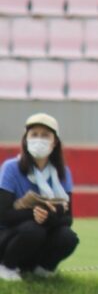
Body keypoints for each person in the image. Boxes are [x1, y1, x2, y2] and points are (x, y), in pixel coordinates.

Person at [0, 113, 79, 281]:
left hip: (42, 235)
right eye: (34, 134)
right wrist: (33, 214)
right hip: (9, 237)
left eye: (45, 135)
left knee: (68, 237)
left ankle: (42, 270)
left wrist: (48, 216)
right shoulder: (10, 168)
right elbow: (3, 214)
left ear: (54, 141)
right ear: (26, 139)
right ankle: (7, 266)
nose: (39, 139)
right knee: (33, 230)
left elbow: (68, 218)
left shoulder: (63, 173)